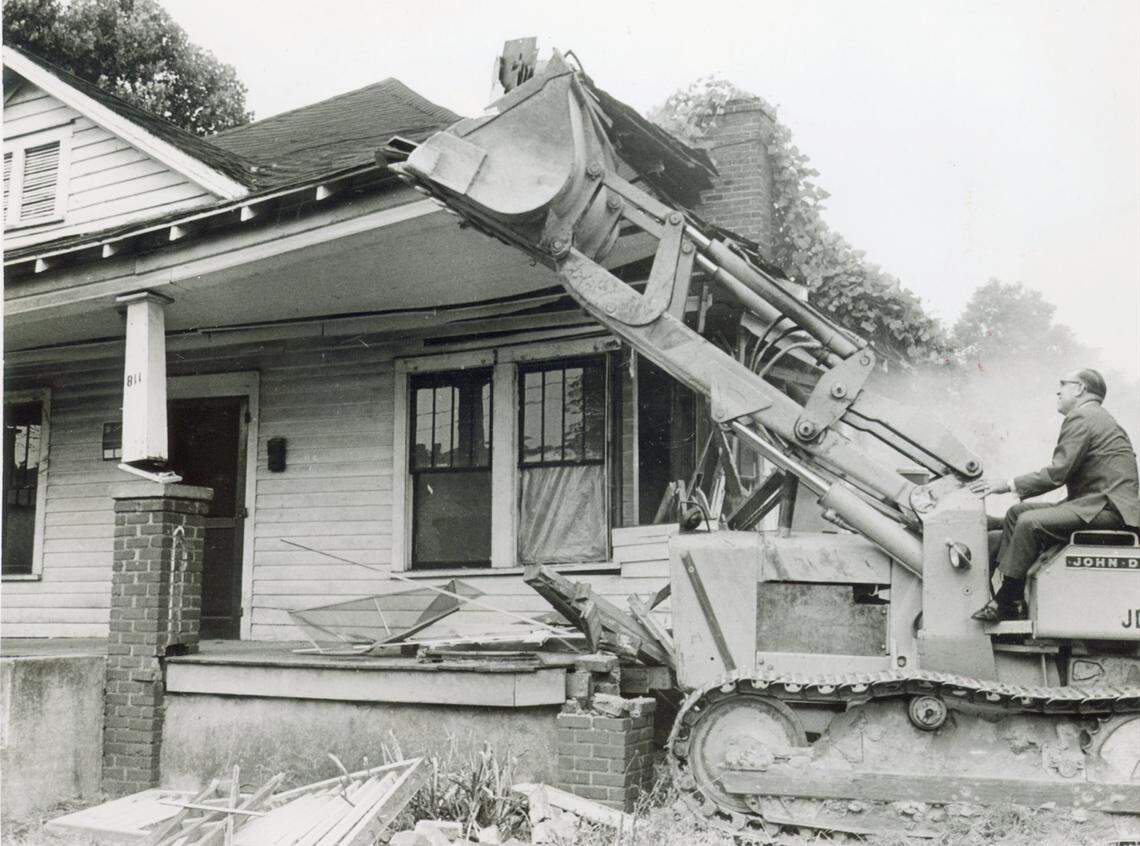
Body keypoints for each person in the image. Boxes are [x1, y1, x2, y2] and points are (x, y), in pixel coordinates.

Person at [969, 368, 1140, 622]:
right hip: (1096, 504)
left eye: (1063, 384)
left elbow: (1058, 473)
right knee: (1017, 513)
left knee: (1029, 522)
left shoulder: (1083, 417)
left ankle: (1005, 599)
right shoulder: (1097, 418)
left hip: (1107, 509)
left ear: (1080, 388)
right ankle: (1012, 595)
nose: (1058, 390)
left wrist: (1005, 484)